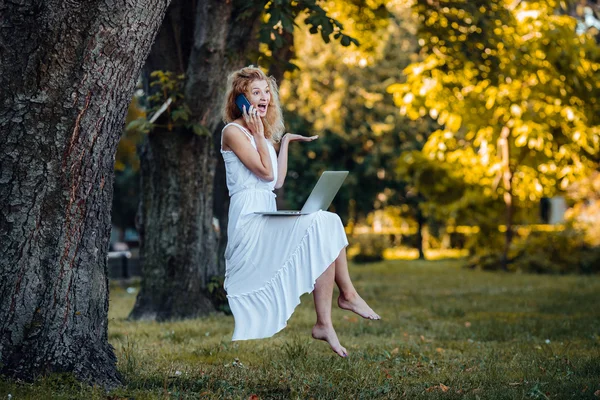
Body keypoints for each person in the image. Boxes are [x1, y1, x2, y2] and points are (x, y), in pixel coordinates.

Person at [220, 66, 380, 357]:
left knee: (327, 223)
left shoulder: (262, 134)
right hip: (248, 219)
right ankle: (347, 296)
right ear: (241, 98)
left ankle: (328, 319)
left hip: (265, 211)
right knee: (322, 224)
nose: (264, 97)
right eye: (256, 92)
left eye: (267, 91)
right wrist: (258, 135)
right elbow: (266, 175)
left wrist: (285, 143)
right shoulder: (233, 132)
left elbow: (277, 182)